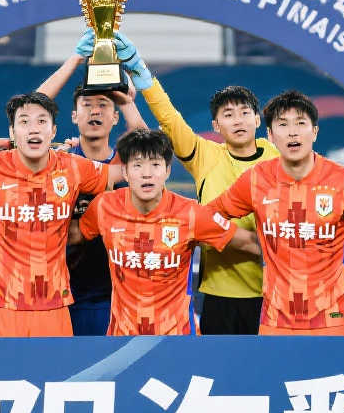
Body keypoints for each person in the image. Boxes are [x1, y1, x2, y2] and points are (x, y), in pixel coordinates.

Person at [124, 32, 278, 335]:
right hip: (220, 294)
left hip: (274, 292)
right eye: (228, 115)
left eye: (245, 113)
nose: (238, 120)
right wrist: (141, 73)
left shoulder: (280, 157)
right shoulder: (204, 155)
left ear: (258, 120)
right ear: (216, 126)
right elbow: (169, 119)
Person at [209, 90, 344, 336]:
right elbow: (207, 216)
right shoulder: (255, 180)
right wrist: (238, 238)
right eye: (283, 125)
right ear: (270, 135)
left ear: (314, 132)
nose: (292, 132)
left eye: (301, 123)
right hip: (275, 323)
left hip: (334, 321)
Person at [75, 128, 259, 335]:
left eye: (155, 164)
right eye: (137, 165)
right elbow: (72, 236)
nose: (147, 174)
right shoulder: (104, 206)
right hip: (121, 339)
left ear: (167, 171)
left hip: (177, 339)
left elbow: (248, 242)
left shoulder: (190, 213)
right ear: (124, 172)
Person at [0, 92, 110, 338]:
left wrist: (128, 104)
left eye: (42, 121)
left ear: (53, 131)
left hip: (55, 306)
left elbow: (132, 174)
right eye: (24, 122)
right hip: (0, 307)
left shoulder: (71, 166)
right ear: (11, 132)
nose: (33, 128)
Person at [36, 30, 147, 335]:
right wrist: (75, 58)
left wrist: (126, 101)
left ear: (115, 117)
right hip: (59, 294)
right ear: (74, 116)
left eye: (103, 105)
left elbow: (149, 148)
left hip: (116, 296)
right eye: (87, 104)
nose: (95, 111)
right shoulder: (58, 160)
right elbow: (31, 111)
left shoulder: (127, 165)